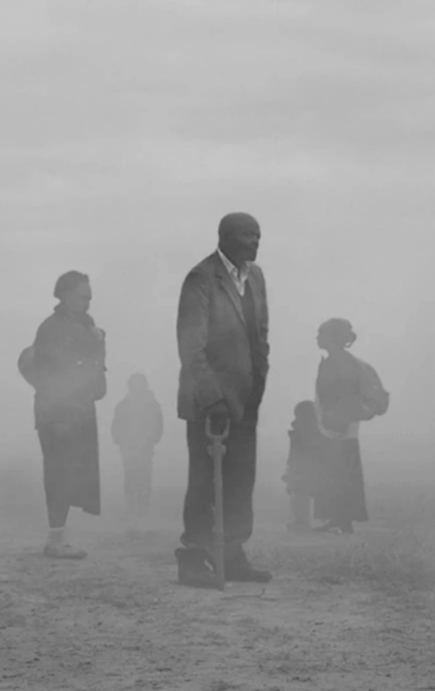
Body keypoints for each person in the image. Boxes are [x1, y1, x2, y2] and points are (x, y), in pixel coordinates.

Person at [173, 212, 272, 588]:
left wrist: (258, 386)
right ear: (225, 237)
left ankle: (231, 554)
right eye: (247, 235)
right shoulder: (202, 278)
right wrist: (213, 398)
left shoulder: (256, 277)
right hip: (207, 405)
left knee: (239, 481)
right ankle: (193, 557)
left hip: (245, 401)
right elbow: (191, 345)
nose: (255, 242)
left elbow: (260, 337)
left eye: (258, 235)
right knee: (203, 481)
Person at [25, 271, 106, 559]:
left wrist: (98, 341)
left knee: (72, 474)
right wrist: (58, 415)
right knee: (59, 474)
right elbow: (50, 374)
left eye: (89, 298)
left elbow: (96, 379)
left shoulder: (86, 327)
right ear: (64, 295)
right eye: (82, 297)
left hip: (79, 410)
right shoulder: (51, 328)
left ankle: (59, 536)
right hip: (58, 414)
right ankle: (55, 540)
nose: (86, 303)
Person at [311, 318, 388, 534]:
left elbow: (342, 396)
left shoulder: (342, 364)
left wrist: (339, 421)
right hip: (337, 426)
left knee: (340, 473)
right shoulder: (339, 361)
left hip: (340, 427)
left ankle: (342, 519)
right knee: (338, 473)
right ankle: (340, 518)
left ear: (333, 338)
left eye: (321, 334)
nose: (317, 338)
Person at [110, 373, 164, 521]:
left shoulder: (130, 404)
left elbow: (158, 424)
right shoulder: (130, 404)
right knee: (136, 478)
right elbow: (117, 424)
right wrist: (118, 439)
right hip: (133, 447)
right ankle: (135, 508)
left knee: (139, 478)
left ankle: (139, 508)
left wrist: (153, 438)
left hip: (140, 446)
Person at [281, 401, 331, 533]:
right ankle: (303, 522)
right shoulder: (318, 431)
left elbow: (294, 453)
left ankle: (301, 522)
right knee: (302, 494)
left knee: (300, 495)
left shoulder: (299, 431)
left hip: (301, 469)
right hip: (308, 468)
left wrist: (290, 469)